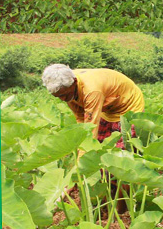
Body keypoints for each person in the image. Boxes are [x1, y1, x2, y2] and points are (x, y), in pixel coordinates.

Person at [42, 64, 145, 214]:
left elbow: (90, 134)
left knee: (119, 163)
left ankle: (123, 212)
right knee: (98, 159)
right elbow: (80, 120)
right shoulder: (67, 87)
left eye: (64, 95)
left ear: (74, 83)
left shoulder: (91, 90)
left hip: (128, 107)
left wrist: (80, 165)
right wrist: (80, 159)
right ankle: (105, 205)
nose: (63, 100)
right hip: (106, 108)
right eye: (58, 97)